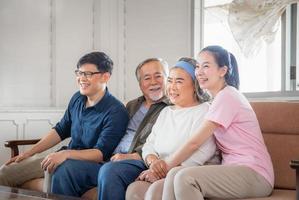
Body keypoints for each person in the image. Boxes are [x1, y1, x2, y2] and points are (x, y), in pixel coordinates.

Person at [0, 52, 129, 196]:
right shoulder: (78, 98)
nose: (81, 78)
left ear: (105, 76)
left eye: (88, 74)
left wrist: (65, 154)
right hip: (64, 156)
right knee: (6, 172)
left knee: (56, 170)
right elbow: (61, 130)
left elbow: (100, 154)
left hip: (90, 166)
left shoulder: (116, 111)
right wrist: (30, 152)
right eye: (79, 73)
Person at [161, 45, 274, 200]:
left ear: (223, 71)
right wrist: (169, 168)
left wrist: (165, 166)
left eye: (206, 66)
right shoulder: (219, 99)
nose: (199, 72)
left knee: (184, 178)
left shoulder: (227, 97)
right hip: (235, 169)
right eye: (198, 66)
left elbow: (194, 143)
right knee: (175, 173)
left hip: (255, 174)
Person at [104, 57, 217, 200]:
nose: (172, 87)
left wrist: (163, 171)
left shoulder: (204, 111)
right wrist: (152, 161)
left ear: (195, 85)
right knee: (134, 190)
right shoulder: (166, 112)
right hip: (160, 169)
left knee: (153, 194)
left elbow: (202, 152)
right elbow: (149, 145)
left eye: (179, 81)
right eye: (170, 81)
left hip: (185, 173)